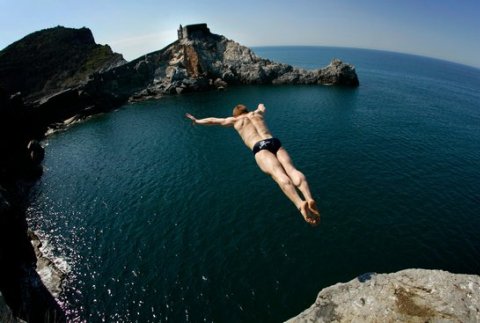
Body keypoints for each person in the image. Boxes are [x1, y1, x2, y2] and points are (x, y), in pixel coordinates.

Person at [185, 103, 320, 225]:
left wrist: (197, 121)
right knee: (291, 170)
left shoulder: (235, 120)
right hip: (274, 142)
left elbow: (213, 121)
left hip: (259, 147)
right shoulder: (256, 114)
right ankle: (309, 197)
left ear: (235, 114)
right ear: (247, 110)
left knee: (278, 174)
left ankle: (300, 203)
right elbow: (263, 108)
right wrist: (260, 106)